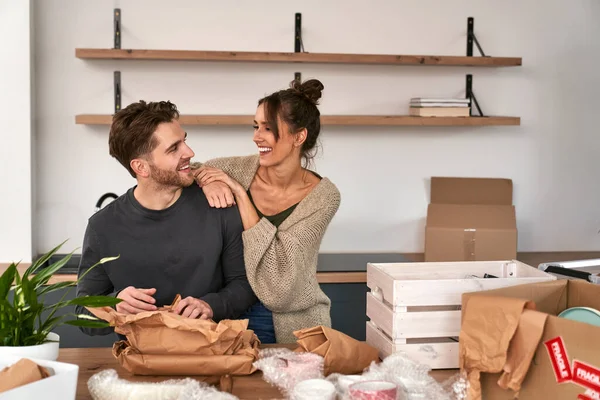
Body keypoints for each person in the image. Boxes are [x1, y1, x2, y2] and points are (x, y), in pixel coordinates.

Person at [75, 100, 257, 337]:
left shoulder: (219, 206)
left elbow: (245, 285)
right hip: (141, 363)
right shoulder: (102, 227)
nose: (189, 153)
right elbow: (81, 313)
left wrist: (211, 305)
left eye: (185, 140)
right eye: (174, 148)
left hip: (212, 356)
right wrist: (114, 304)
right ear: (141, 167)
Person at [192, 78, 341, 344]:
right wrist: (207, 180)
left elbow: (279, 287)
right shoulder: (235, 170)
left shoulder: (323, 197)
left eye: (267, 128)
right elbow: (189, 170)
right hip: (227, 312)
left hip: (292, 322)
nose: (256, 136)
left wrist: (240, 195)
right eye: (255, 126)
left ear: (299, 136)